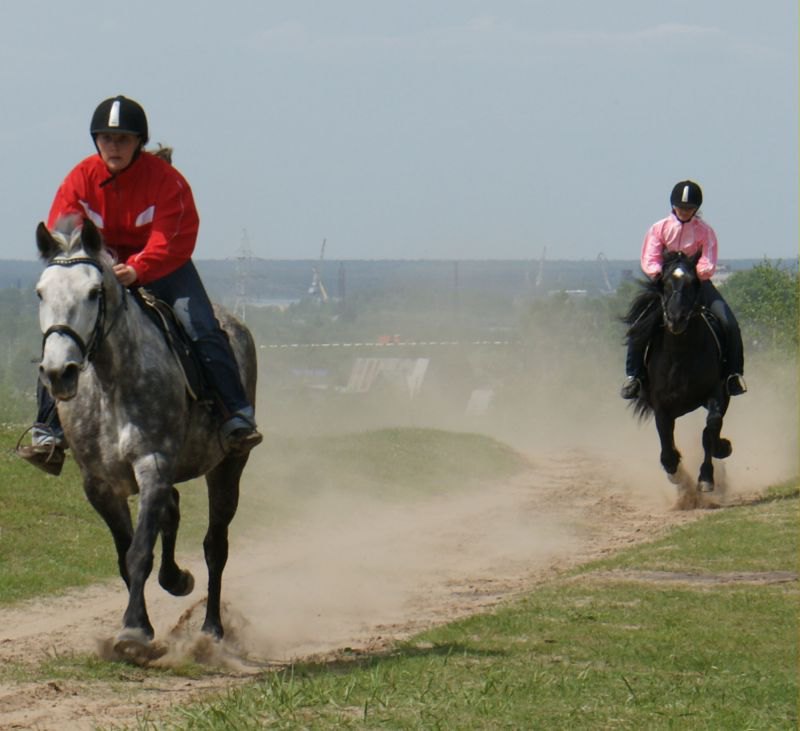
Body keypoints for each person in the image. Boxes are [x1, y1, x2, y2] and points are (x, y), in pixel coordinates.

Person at [17, 94, 262, 474]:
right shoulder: (79, 179)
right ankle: (48, 431)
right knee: (64, 333)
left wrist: (138, 268)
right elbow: (64, 229)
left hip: (164, 267)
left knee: (200, 325)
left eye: (123, 139)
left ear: (139, 143)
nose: (114, 146)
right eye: (106, 138)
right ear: (96, 141)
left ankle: (235, 415)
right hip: (100, 270)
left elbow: (172, 236)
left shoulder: (167, 181)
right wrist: (88, 267)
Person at [621, 180, 747, 400]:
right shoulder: (659, 228)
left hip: (696, 283)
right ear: (673, 206)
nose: (685, 211)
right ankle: (634, 377)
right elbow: (650, 256)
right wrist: (659, 273)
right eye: (681, 207)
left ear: (696, 209)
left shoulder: (705, 231)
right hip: (666, 284)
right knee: (639, 323)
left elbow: (708, 260)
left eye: (689, 208)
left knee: (729, 323)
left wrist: (695, 272)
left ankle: (733, 375)